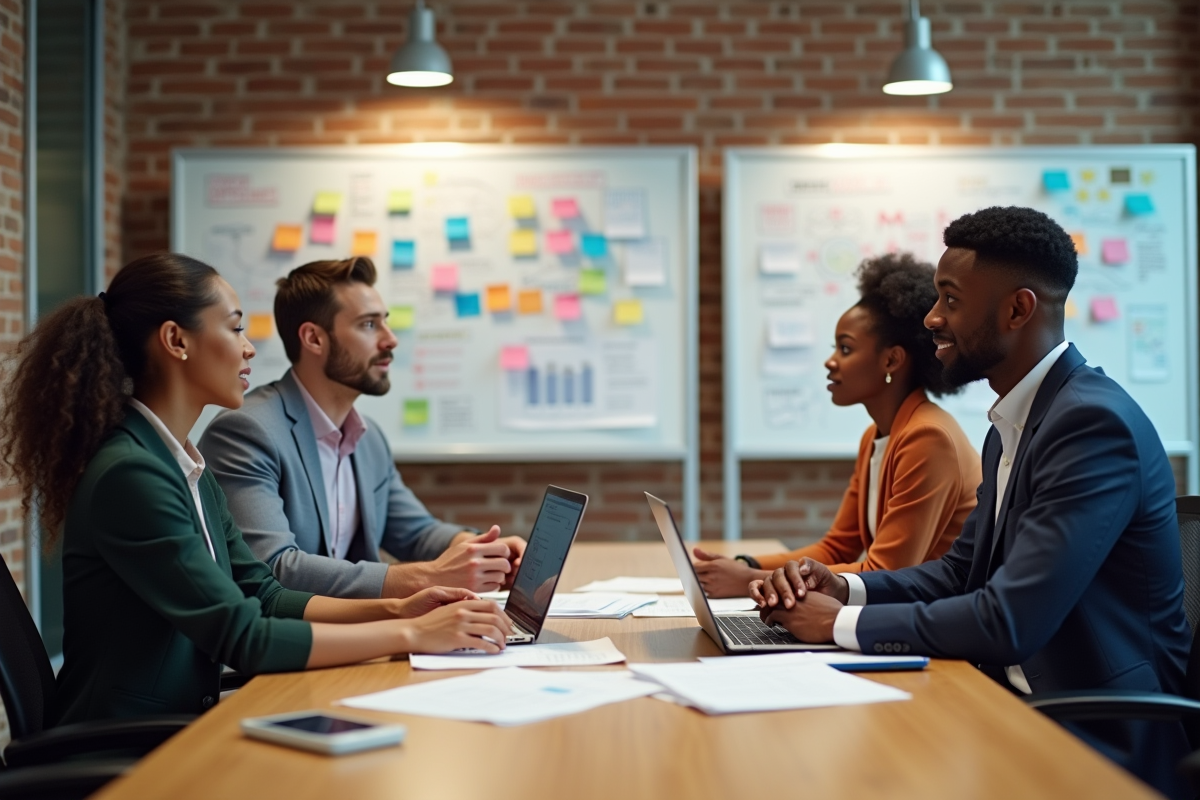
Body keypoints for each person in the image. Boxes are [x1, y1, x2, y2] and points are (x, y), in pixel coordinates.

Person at [750, 206, 1191, 799]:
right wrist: (844, 587)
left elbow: (1009, 620)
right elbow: (962, 573)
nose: (932, 318)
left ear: (1018, 310)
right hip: (1011, 704)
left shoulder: (1091, 425)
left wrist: (838, 624)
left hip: (1097, 737)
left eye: (951, 300)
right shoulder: (1012, 425)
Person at [0, 254, 513, 724]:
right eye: (234, 327)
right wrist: (412, 633)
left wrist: (403, 608)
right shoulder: (131, 474)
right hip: (128, 741)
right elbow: (244, 636)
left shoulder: (183, 463)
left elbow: (264, 594)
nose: (249, 348)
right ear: (176, 340)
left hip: (180, 723)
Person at [199, 256, 526, 600]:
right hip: (288, 632)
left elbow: (415, 532)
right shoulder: (247, 432)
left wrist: (485, 551)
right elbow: (275, 568)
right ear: (314, 338)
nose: (391, 340)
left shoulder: (368, 439)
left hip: (358, 627)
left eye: (385, 322)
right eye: (369, 325)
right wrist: (427, 577)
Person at [693, 253, 981, 597]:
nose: (830, 362)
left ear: (891, 360)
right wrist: (746, 565)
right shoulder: (876, 436)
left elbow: (886, 572)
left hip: (934, 619)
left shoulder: (928, 437)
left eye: (845, 349)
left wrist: (748, 580)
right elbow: (836, 548)